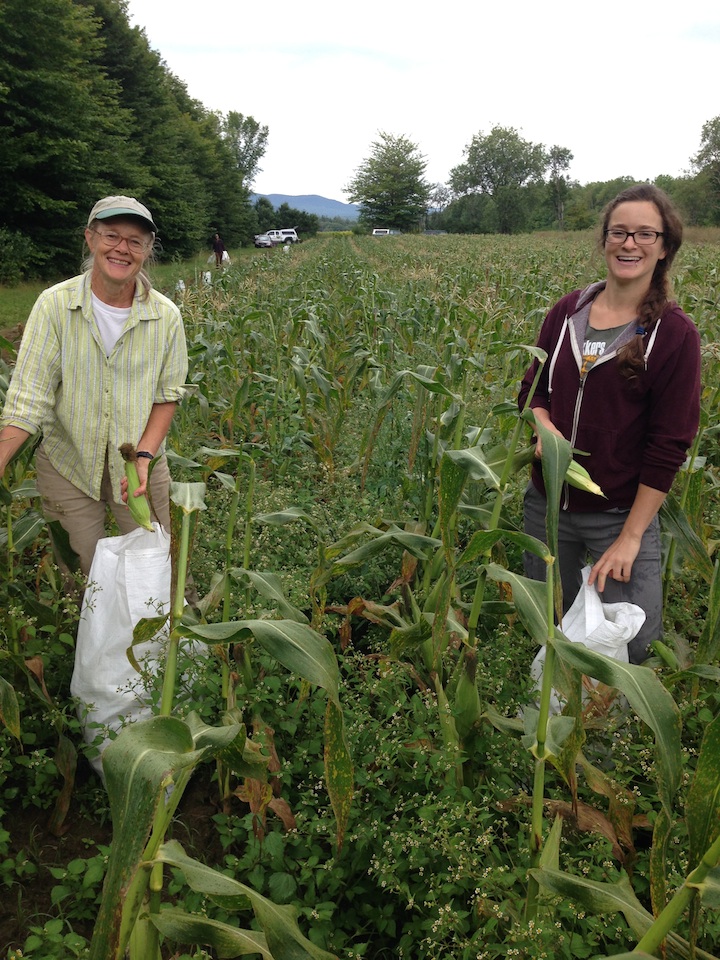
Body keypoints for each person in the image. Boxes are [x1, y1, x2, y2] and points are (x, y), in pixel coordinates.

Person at [518, 184, 701, 664]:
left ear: (664, 248)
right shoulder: (567, 312)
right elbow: (532, 391)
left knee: (631, 640)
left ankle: (604, 731)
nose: (630, 244)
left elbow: (669, 444)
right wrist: (544, 428)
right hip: (548, 505)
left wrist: (632, 537)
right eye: (619, 232)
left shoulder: (673, 334)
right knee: (546, 624)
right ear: (604, 240)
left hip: (617, 514)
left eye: (645, 234)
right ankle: (553, 720)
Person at [0, 195, 188, 580]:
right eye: (112, 236)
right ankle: (88, 638)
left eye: (135, 241)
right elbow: (28, 398)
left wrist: (144, 457)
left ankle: (168, 634)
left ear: (148, 249)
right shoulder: (55, 305)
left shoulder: (165, 315)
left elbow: (166, 396)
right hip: (66, 462)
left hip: (138, 463)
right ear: (90, 238)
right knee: (82, 574)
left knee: (154, 565)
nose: (122, 248)